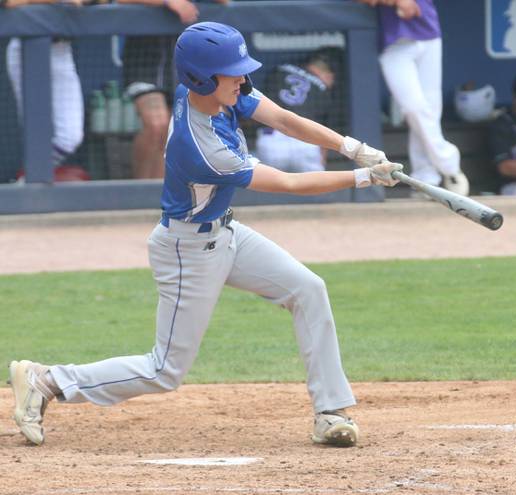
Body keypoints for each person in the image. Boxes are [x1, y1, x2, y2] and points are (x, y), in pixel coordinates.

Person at [8, 22, 401, 449]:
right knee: (165, 370)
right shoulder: (204, 149)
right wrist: (361, 178)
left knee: (308, 288)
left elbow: (286, 119)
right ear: (202, 77)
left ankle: (331, 412)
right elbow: (289, 184)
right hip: (188, 250)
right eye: (231, 72)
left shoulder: (218, 95)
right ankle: (46, 381)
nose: (242, 79)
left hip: (226, 233)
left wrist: (352, 147)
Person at [356, 0, 469, 196]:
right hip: (393, 43)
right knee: (413, 108)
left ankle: (425, 181)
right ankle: (449, 165)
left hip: (428, 31)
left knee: (430, 111)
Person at [116, 0, 209, 179]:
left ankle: (157, 196)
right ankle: (139, 192)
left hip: (182, 62)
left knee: (172, 132)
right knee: (156, 124)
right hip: (146, 61)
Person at [5, 0, 85, 177]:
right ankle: (32, 184)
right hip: (26, 47)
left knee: (70, 136)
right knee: (36, 134)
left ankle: (27, 176)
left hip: (62, 50)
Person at [255, 47, 344, 173]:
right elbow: (325, 130)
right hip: (305, 143)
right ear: (329, 75)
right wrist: (321, 160)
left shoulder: (279, 70)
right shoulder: (324, 90)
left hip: (272, 142)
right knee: (319, 184)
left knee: (262, 181)